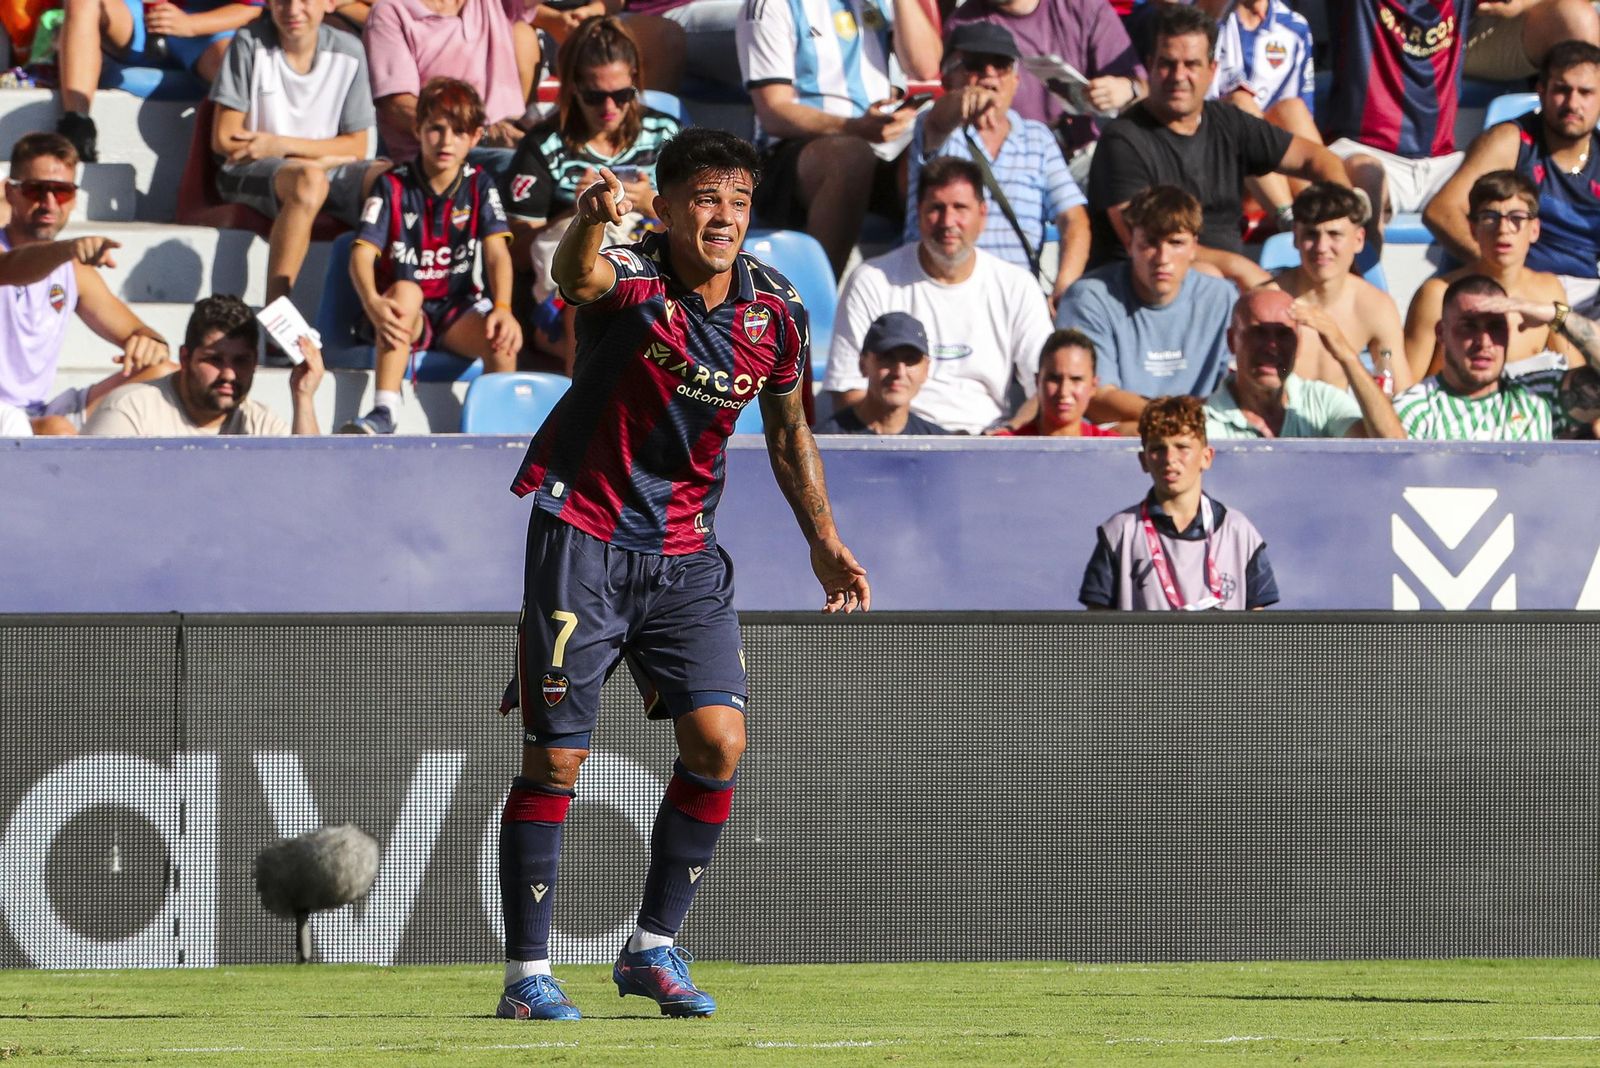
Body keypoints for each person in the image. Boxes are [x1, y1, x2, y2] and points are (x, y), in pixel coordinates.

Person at [495, 127, 870, 1022]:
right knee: (557, 758)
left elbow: (789, 430)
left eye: (739, 201)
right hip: (584, 533)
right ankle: (525, 977)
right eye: (705, 199)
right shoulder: (633, 274)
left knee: (719, 743)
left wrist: (822, 539)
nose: (724, 217)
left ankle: (651, 948)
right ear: (664, 208)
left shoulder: (775, 312)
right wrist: (590, 220)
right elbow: (576, 278)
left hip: (687, 552)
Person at [1085, 4, 1347, 286]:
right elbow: (1150, 245)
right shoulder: (1123, 140)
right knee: (1213, 277)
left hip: (1230, 284)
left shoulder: (1227, 123)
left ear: (1212, 71)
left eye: (1191, 65)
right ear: (1149, 66)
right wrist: (1243, 270)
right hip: (1145, 289)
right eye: (1167, 64)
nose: (1179, 76)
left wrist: (1340, 216)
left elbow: (1318, 159)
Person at [822, 157, 1052, 435]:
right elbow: (848, 391)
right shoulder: (871, 280)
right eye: (936, 208)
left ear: (982, 215)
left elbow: (1047, 389)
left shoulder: (1018, 286)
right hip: (899, 443)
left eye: (960, 208)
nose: (948, 221)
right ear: (918, 213)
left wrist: (1009, 434)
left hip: (989, 444)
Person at [342, 78, 521, 435]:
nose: (446, 141)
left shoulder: (480, 184)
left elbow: (497, 254)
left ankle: (501, 430)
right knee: (407, 292)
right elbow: (360, 254)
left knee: (502, 337)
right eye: (436, 128)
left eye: (459, 131)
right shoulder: (392, 184)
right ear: (418, 129)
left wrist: (503, 307)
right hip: (405, 312)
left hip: (456, 310)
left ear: (475, 137)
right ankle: (384, 410)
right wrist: (373, 303)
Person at [504, 15, 681, 373]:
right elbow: (517, 254)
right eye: (595, 96)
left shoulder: (665, 133)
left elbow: (701, 225)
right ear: (572, 87)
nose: (609, 108)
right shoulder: (544, 145)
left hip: (655, 281)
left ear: (636, 80)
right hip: (567, 300)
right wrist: (579, 215)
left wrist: (652, 206)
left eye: (622, 95)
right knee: (589, 300)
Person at [736, 0, 941, 277]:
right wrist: (854, 127)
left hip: (879, 140)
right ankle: (816, 296)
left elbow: (926, 67)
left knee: (942, 143)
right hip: (794, 150)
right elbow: (774, 111)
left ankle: (928, 284)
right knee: (851, 156)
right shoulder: (772, 5)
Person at [210, 0, 391, 307]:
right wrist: (313, 160)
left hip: (320, 167)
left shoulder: (350, 50)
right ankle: (278, 312)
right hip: (252, 168)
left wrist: (281, 145)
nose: (293, 10)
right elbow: (225, 138)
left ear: (328, 4)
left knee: (390, 180)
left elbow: (357, 146)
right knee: (309, 180)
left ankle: (390, 300)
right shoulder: (249, 42)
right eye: (282, 0)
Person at [904, 22, 1090, 306]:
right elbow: (937, 122)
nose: (989, 76)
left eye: (1001, 65)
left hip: (1013, 301)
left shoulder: (1037, 138)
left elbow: (1073, 218)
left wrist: (1064, 287)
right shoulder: (934, 129)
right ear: (948, 79)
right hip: (936, 291)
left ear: (1015, 80)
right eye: (975, 64)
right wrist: (961, 101)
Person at [0, 134, 173, 436]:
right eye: (35, 190)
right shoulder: (49, 257)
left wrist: (149, 343)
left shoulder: (73, 270)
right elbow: (13, 267)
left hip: (36, 410)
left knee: (166, 374)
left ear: (74, 198)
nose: (49, 203)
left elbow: (139, 333)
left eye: (62, 192)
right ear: (10, 193)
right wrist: (67, 249)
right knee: (57, 430)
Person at [1423, 41, 1600, 312]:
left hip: (1585, 296)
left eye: (1585, 92)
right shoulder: (1511, 141)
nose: (1572, 103)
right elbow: (1441, 211)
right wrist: (1501, 271)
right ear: (1541, 92)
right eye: (1561, 90)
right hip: (1508, 288)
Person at [1056, 185, 1235, 432]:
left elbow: (1239, 387)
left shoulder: (1222, 298)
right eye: (1150, 243)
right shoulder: (1087, 298)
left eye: (1176, 243)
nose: (1162, 258)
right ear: (1129, 244)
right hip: (1119, 434)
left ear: (1194, 247)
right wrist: (1178, 422)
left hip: (1202, 432)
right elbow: (1095, 398)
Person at [1079, 393, 1279, 610]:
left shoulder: (1239, 532)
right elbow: (1096, 624)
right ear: (1143, 460)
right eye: (1158, 449)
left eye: (1182, 447)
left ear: (1206, 457)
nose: (1170, 459)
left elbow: (1258, 623)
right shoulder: (1119, 533)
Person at [945, 0, 1146, 182]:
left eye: (1000, 64)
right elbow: (951, 100)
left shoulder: (1084, 6)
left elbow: (1146, 88)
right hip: (1012, 162)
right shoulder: (964, 26)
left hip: (1085, 155)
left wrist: (1129, 89)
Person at [1407, 171, 1577, 381]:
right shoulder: (1437, 294)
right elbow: (1405, 384)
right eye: (1490, 217)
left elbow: (1576, 374)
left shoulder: (1548, 290)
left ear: (1534, 230)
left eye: (1517, 218)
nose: (1503, 229)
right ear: (1473, 229)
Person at [1394, 274, 1600, 440]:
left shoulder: (1540, 396)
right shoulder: (1414, 410)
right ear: (1441, 333)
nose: (1484, 342)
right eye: (1469, 327)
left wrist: (1555, 315)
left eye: (1495, 327)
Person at [84, 294, 325, 435]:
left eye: (241, 361)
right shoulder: (130, 412)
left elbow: (311, 483)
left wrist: (303, 396)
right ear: (185, 358)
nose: (229, 374)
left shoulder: (259, 423)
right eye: (214, 360)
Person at [56, 0, 264, 161]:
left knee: (233, 63)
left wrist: (190, 24)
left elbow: (255, 9)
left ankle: (241, 155)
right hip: (142, 19)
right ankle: (77, 127)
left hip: (210, 29)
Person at [1265, 182, 1411, 394]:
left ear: (1359, 240)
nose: (1322, 247)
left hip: (1341, 414)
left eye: (1334, 234)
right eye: (1311, 234)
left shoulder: (1375, 307)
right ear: (1296, 237)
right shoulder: (1268, 301)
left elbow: (1400, 395)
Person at [1205, 289, 1405, 439]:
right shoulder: (1207, 419)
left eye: (1283, 334)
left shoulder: (1320, 402)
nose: (1271, 347)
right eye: (1259, 333)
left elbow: (1393, 448)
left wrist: (1346, 356)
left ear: (1298, 344)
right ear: (1232, 341)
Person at [364, 0, 541, 168]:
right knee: (519, 165)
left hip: (507, 141)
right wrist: (475, 133)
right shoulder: (391, 12)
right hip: (435, 160)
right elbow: (399, 106)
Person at [814, 311, 950, 435]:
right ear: (863, 364)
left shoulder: (939, 444)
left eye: (911, 360)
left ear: (926, 369)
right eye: (887, 358)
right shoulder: (825, 441)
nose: (899, 372)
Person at [994, 329, 1117, 436]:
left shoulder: (1113, 449)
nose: (1063, 391)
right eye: (1054, 379)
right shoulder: (1005, 448)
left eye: (1076, 379)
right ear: (1037, 382)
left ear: (1093, 386)